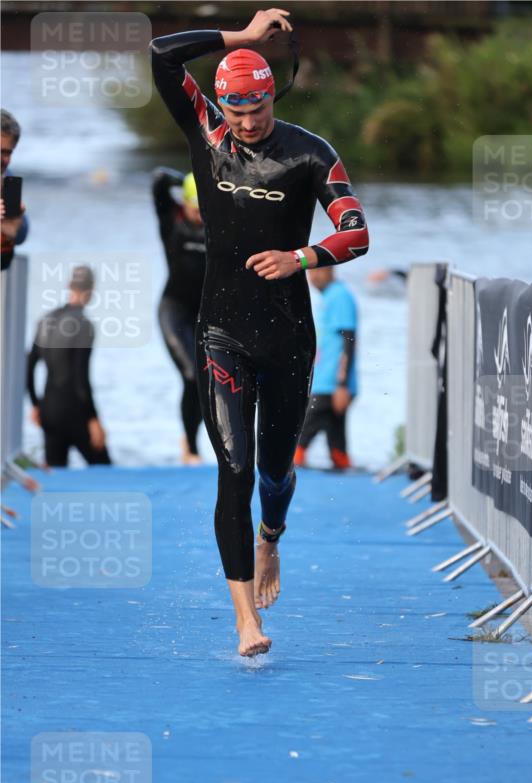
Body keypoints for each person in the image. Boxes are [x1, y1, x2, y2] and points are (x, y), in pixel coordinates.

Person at [150, 7, 369, 657]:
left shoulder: (308, 153)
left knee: (275, 473)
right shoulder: (206, 134)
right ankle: (245, 621)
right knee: (234, 468)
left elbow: (355, 231)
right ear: (220, 104)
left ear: (272, 95)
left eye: (256, 109)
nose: (246, 123)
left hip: (287, 337)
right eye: (235, 111)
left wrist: (300, 257)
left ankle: (269, 536)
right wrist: (243, 37)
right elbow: (162, 53)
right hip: (220, 332)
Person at [27, 266, 112, 468]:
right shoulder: (84, 325)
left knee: (56, 476)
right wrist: (93, 419)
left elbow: (29, 366)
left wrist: (35, 405)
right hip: (75, 412)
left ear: (69, 286)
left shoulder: (46, 320)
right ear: (91, 291)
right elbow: (81, 378)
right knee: (105, 472)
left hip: (49, 410)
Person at [152, 167, 206, 464]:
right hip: (173, 309)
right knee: (191, 376)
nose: (199, 215)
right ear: (184, 203)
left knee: (208, 381)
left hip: (204, 315)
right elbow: (158, 180)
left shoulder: (217, 224)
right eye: (194, 208)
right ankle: (191, 448)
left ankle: (192, 438)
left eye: (203, 209)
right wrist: (192, 173)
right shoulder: (170, 221)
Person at [295, 267, 358, 470]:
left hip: (332, 385)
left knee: (300, 436)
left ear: (331, 269)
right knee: (336, 439)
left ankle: (285, 476)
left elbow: (349, 341)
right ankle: (343, 468)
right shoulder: (329, 296)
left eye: (319, 270)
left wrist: (342, 383)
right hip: (325, 381)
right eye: (311, 272)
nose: (314, 276)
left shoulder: (340, 296)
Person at [1, 108, 29, 271]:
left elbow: (22, 233)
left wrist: (13, 230)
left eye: (7, 153)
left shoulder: (6, 177)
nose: (1, 160)